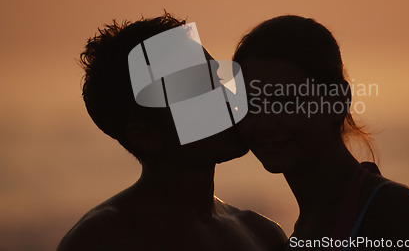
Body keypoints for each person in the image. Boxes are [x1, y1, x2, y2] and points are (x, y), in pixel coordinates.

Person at [57, 13, 287, 251]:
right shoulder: (102, 240)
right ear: (146, 136)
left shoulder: (264, 235)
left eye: (217, 78)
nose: (228, 98)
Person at [233, 15, 409, 251]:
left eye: (286, 101)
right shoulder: (294, 238)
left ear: (338, 101)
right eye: (251, 105)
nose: (264, 123)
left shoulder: (391, 211)